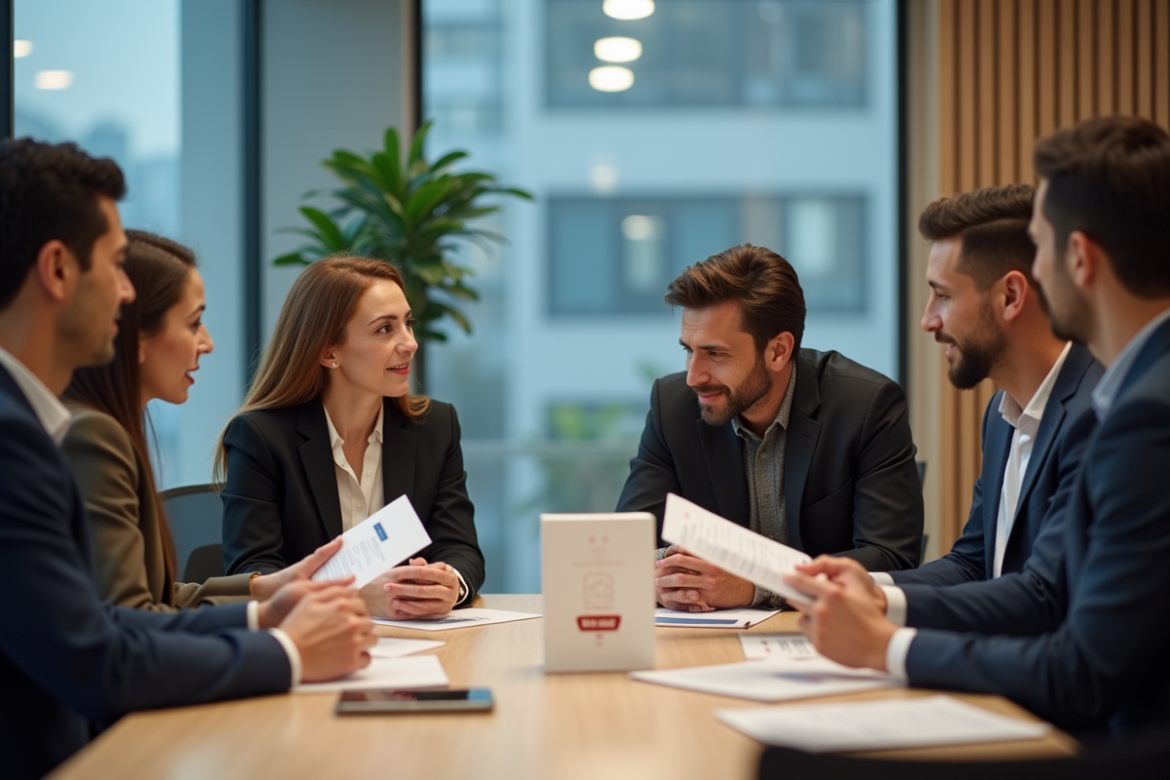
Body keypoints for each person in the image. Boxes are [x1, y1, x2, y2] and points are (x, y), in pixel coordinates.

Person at [0, 139, 375, 780]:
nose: (125, 294)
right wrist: (286, 651)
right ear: (58, 269)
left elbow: (106, 621)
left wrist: (262, 610)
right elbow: (97, 658)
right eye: (117, 266)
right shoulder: (21, 440)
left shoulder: (42, 424)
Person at [786, 116, 1170, 735]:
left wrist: (884, 645)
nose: (927, 321)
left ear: (1076, 259)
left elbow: (1066, 638)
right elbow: (982, 564)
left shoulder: (1138, 415)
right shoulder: (1025, 409)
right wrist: (876, 592)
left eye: (1041, 245)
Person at [616, 244, 924, 612]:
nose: (693, 376)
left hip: (824, 639)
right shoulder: (673, 407)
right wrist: (672, 572)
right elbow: (624, 548)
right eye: (688, 350)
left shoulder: (866, 407)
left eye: (715, 353)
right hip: (708, 642)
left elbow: (892, 560)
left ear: (778, 351)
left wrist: (756, 584)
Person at [63, 230, 346, 611]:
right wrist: (268, 629)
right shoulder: (92, 437)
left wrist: (267, 589)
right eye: (194, 322)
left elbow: (158, 598)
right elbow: (131, 619)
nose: (208, 342)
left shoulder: (106, 427)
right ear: (136, 335)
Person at [868, 184, 1102, 634]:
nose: (927, 320)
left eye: (944, 296)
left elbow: (1042, 597)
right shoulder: (1000, 413)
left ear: (1011, 297)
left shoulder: (1095, 414)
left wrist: (882, 617)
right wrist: (864, 587)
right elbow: (974, 564)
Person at [219, 256, 485, 620]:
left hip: (416, 644)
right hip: (310, 646)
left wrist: (449, 583)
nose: (410, 343)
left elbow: (460, 549)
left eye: (408, 324)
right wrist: (355, 596)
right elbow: (252, 573)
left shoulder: (435, 426)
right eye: (384, 329)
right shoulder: (261, 437)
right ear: (329, 351)